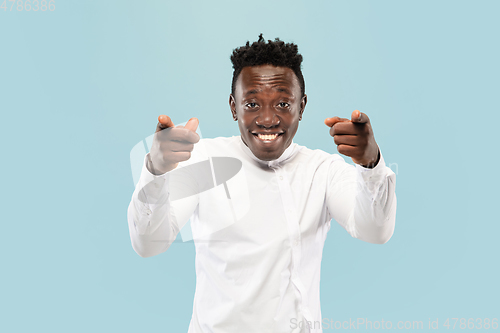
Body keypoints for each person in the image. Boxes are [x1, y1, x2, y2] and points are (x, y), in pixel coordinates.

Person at [127, 34, 397, 333]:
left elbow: (376, 231)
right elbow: (148, 243)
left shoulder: (323, 169)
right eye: (252, 104)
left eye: (283, 103)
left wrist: (371, 165)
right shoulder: (204, 160)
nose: (267, 119)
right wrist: (156, 171)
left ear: (301, 107)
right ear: (234, 107)